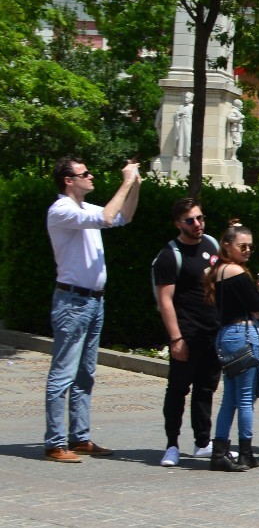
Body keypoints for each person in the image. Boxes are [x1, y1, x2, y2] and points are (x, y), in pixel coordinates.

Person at [43, 157, 141, 462]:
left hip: (94, 300)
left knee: (85, 373)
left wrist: (135, 185)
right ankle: (55, 442)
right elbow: (108, 217)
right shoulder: (62, 209)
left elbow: (123, 216)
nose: (91, 176)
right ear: (68, 180)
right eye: (84, 174)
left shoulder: (86, 209)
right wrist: (125, 182)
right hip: (72, 302)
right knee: (63, 374)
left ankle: (80, 437)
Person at [155, 196, 222, 468]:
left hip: (212, 332)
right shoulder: (170, 256)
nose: (198, 224)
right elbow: (165, 300)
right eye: (191, 220)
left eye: (200, 218)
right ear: (178, 224)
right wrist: (176, 338)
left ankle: (202, 442)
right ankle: (172, 444)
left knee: (206, 389)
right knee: (178, 390)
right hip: (187, 333)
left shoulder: (212, 244)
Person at [205, 222, 259, 472]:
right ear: (227, 246)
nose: (248, 250)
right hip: (242, 334)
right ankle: (245, 452)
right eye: (243, 246)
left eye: (250, 246)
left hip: (226, 334)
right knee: (245, 398)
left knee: (229, 397)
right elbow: (257, 305)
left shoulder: (218, 271)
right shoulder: (236, 272)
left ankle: (219, 451)